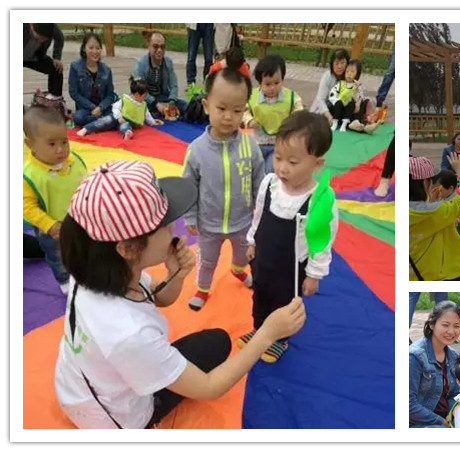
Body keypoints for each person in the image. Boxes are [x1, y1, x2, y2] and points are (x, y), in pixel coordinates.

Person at [53, 160, 306, 429]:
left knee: (216, 343)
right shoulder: (130, 334)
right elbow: (209, 387)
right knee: (214, 352)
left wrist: (176, 274)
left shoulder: (93, 268)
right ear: (128, 248)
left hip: (77, 387)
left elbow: (159, 298)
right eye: (165, 224)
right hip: (118, 417)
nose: (174, 229)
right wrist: (267, 334)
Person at [242, 111, 338, 363]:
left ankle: (279, 339)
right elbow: (259, 213)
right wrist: (252, 240)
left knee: (283, 304)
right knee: (260, 295)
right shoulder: (270, 183)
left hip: (291, 268)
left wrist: (314, 275)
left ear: (317, 164)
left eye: (293, 162)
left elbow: (322, 241)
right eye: (278, 157)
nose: (282, 167)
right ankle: (259, 329)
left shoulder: (319, 200)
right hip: (263, 258)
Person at [182, 68, 265, 311]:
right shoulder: (197, 150)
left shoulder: (250, 146)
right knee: (207, 260)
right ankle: (202, 288)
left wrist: (260, 213)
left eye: (237, 111)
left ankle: (237, 271)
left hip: (243, 222)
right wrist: (190, 216)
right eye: (221, 108)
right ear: (207, 106)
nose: (229, 117)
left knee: (243, 256)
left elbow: (260, 182)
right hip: (209, 223)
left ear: (245, 110)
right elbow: (189, 186)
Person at [22, 106, 88, 294]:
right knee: (57, 256)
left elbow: (85, 181)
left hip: (80, 221)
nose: (61, 149)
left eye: (64, 142)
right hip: (52, 230)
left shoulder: (74, 160)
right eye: (51, 144)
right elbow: (27, 208)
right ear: (30, 144)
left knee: (83, 249)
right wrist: (49, 225)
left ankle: (84, 271)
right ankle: (65, 280)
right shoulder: (29, 176)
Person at [244, 54, 304, 173]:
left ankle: (269, 183)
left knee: (269, 171)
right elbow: (243, 110)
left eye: (277, 83)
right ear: (260, 83)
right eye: (267, 84)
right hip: (257, 142)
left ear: (282, 79)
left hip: (279, 145)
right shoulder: (252, 96)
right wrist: (249, 120)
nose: (272, 88)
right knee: (252, 169)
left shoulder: (290, 97)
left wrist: (293, 122)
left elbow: (299, 110)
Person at [409, 301, 460, 428]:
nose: (451, 331)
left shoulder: (453, 356)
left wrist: (452, 415)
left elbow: (454, 394)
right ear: (432, 324)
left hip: (446, 419)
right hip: (418, 423)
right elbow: (407, 404)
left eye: (456, 326)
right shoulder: (414, 356)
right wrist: (440, 421)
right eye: (445, 325)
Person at [78, 77, 164, 139]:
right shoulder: (125, 99)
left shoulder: (143, 105)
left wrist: (153, 122)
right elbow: (115, 108)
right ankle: (86, 129)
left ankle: (127, 134)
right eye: (144, 96)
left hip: (126, 122)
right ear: (137, 95)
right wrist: (119, 117)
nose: (145, 98)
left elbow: (147, 115)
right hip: (116, 118)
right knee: (104, 121)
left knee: (125, 126)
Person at [132, 32, 187, 119]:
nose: (159, 50)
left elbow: (173, 85)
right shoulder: (141, 64)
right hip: (146, 100)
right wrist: (156, 104)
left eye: (162, 47)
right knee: (139, 108)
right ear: (149, 47)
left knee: (186, 105)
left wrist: (171, 102)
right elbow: (139, 90)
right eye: (155, 46)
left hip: (163, 98)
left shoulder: (168, 62)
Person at [68, 33, 116, 129]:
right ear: (84, 49)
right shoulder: (75, 67)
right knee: (78, 118)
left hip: (103, 108)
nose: (95, 51)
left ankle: (98, 122)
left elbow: (110, 95)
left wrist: (100, 107)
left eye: (98, 48)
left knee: (118, 113)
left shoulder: (106, 70)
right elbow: (74, 92)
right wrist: (92, 107)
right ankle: (104, 121)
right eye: (91, 48)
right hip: (85, 109)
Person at [327, 59, 373, 132]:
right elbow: (332, 95)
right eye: (347, 71)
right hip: (339, 110)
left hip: (351, 111)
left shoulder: (357, 86)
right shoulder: (340, 83)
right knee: (337, 103)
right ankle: (335, 123)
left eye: (352, 72)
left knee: (362, 102)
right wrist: (337, 101)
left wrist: (357, 91)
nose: (349, 74)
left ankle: (353, 124)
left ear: (357, 74)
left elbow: (359, 99)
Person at [23, 23, 64, 97]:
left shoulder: (51, 26)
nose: (41, 41)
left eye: (45, 39)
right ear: (31, 25)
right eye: (39, 38)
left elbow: (60, 37)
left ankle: (55, 99)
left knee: (56, 69)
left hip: (35, 56)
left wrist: (56, 57)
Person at [310, 48, 349, 125]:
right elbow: (320, 99)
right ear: (332, 64)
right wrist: (328, 116)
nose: (340, 66)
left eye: (342, 63)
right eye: (337, 63)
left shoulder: (349, 76)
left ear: (347, 63)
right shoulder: (327, 76)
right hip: (326, 110)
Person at [185, 24, 215, 91]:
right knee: (191, 56)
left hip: (209, 25)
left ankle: (207, 84)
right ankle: (191, 84)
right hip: (194, 25)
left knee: (209, 58)